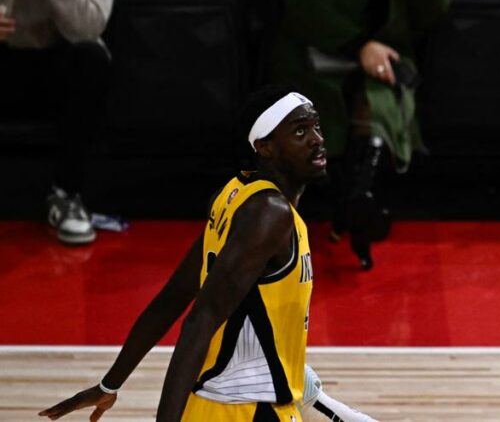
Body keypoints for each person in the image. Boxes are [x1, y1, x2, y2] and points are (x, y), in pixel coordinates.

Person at [38, 86, 376, 421]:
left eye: (316, 126)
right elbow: (199, 320)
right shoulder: (269, 215)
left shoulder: (235, 195)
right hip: (245, 409)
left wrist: (109, 384)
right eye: (300, 131)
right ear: (265, 147)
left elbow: (173, 297)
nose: (317, 139)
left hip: (219, 405)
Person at [271, 0, 452, 270]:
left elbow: (432, 13)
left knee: (382, 94)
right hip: (320, 50)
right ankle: (353, 201)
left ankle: (358, 198)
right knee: (327, 99)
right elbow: (303, 2)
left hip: (390, 53)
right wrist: (358, 45)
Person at [0, 0, 116, 245]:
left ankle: (66, 195)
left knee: (92, 56)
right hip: (5, 62)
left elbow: (86, 27)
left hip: (58, 66)